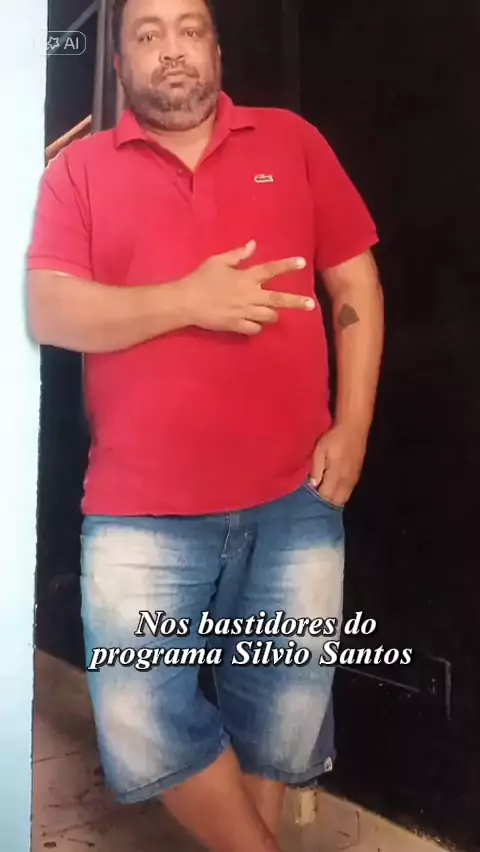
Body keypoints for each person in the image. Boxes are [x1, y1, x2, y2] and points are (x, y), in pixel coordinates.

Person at [26, 0, 384, 849]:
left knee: (279, 714)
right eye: (147, 34)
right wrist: (190, 299)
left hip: (295, 496)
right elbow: (50, 310)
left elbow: (356, 287)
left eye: (189, 29)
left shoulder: (292, 142)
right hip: (140, 508)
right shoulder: (78, 174)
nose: (172, 49)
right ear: (120, 67)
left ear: (217, 51)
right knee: (142, 715)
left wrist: (354, 428)